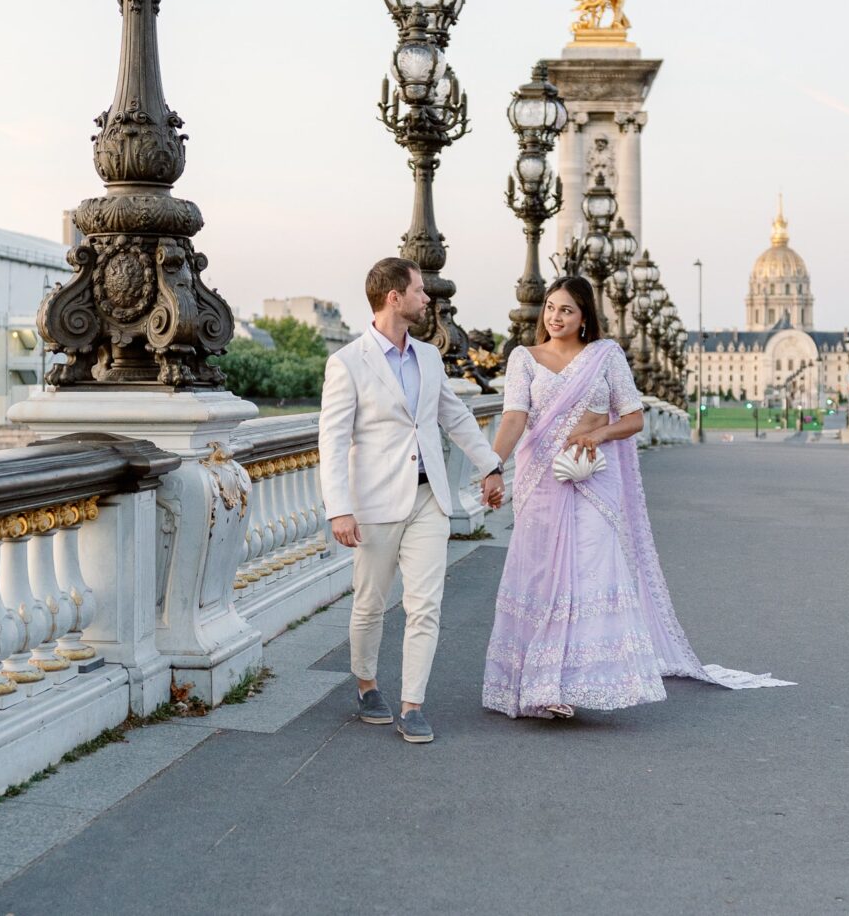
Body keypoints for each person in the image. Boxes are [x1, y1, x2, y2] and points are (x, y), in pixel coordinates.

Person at [482, 275, 791, 719]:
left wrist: (597, 434)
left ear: (585, 316)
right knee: (542, 577)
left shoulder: (605, 356)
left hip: (593, 479)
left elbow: (633, 417)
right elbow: (513, 418)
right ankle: (538, 683)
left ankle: (572, 682)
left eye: (566, 309)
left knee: (588, 573)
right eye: (550, 307)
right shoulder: (524, 359)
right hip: (542, 481)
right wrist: (493, 466)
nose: (555, 317)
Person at [319, 257, 504, 744]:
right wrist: (339, 507)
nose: (429, 299)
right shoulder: (347, 363)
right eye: (420, 291)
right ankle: (365, 685)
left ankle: (413, 703)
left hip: (429, 499)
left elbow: (456, 416)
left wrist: (490, 464)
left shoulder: (428, 357)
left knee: (425, 605)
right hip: (374, 504)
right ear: (393, 298)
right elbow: (333, 442)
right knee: (370, 605)